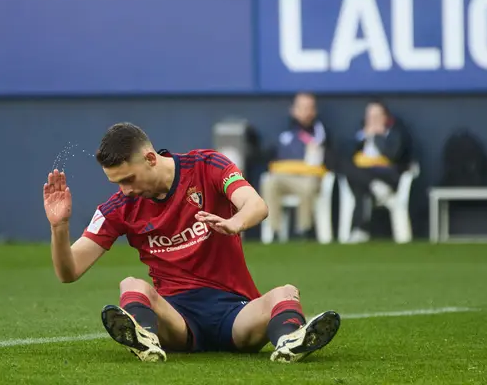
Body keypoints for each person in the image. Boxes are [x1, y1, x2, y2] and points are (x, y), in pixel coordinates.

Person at [42, 122, 341, 363]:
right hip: (178, 319)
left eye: (129, 179)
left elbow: (257, 205)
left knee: (285, 292)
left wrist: (235, 223)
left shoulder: (206, 165)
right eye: (117, 183)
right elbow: (69, 272)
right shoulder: (119, 207)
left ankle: (290, 341)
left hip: (236, 312)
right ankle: (146, 339)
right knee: (131, 285)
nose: (125, 190)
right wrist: (60, 227)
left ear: (150, 159)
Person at [262, 92, 333, 240]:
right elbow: (268, 156)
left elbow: (331, 160)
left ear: (314, 111)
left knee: (307, 186)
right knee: (269, 182)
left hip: (309, 178)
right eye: (302, 108)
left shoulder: (321, 133)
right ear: (293, 110)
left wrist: (319, 152)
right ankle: (274, 231)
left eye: (309, 108)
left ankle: (303, 231)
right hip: (285, 178)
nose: (306, 112)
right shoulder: (283, 134)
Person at [340, 101, 412, 243]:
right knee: (352, 172)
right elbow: (348, 156)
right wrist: (363, 137)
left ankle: (360, 229)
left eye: (376, 116)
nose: (372, 120)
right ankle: (373, 186)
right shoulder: (360, 135)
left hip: (386, 175)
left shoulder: (395, 135)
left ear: (385, 118)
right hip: (365, 177)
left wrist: (378, 137)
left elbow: (393, 156)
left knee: (360, 181)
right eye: (369, 116)